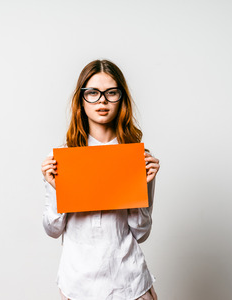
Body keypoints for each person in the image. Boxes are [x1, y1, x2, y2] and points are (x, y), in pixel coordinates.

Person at [41, 59, 160, 300]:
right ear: (81, 99)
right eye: (93, 93)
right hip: (78, 285)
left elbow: (141, 232)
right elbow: (52, 229)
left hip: (129, 282)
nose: (102, 101)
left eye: (111, 93)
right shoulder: (63, 159)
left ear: (121, 98)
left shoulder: (138, 157)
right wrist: (57, 188)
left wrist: (142, 184)